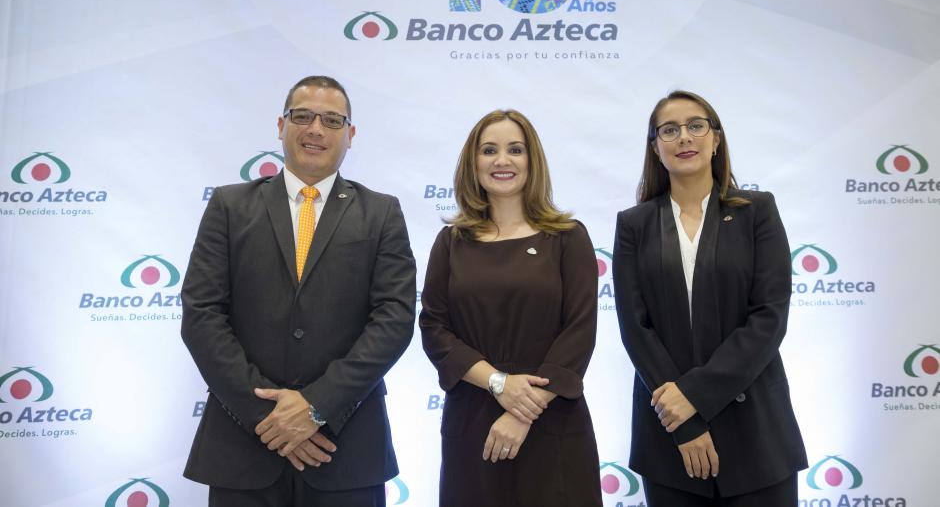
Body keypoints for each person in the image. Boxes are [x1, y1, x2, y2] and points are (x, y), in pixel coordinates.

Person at [181, 75, 417, 507]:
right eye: (302, 116)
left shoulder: (381, 213)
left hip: (345, 446)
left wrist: (315, 407)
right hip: (243, 445)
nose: (315, 129)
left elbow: (394, 320)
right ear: (280, 125)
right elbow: (202, 315)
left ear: (351, 134)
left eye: (331, 120)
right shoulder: (229, 206)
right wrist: (269, 418)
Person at [612, 90, 807, 506]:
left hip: (757, 430)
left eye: (696, 125)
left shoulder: (758, 210)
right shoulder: (634, 224)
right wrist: (682, 422)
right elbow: (635, 327)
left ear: (716, 139)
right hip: (668, 437)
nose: (684, 137)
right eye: (670, 130)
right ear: (655, 147)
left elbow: (769, 317)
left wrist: (694, 397)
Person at [419, 109, 602, 507]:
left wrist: (522, 412)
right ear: (473, 163)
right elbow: (434, 328)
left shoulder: (567, 237)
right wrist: (499, 383)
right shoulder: (451, 242)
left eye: (515, 150)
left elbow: (580, 329)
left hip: (551, 420)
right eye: (489, 150)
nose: (502, 160)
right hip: (473, 422)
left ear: (532, 161)